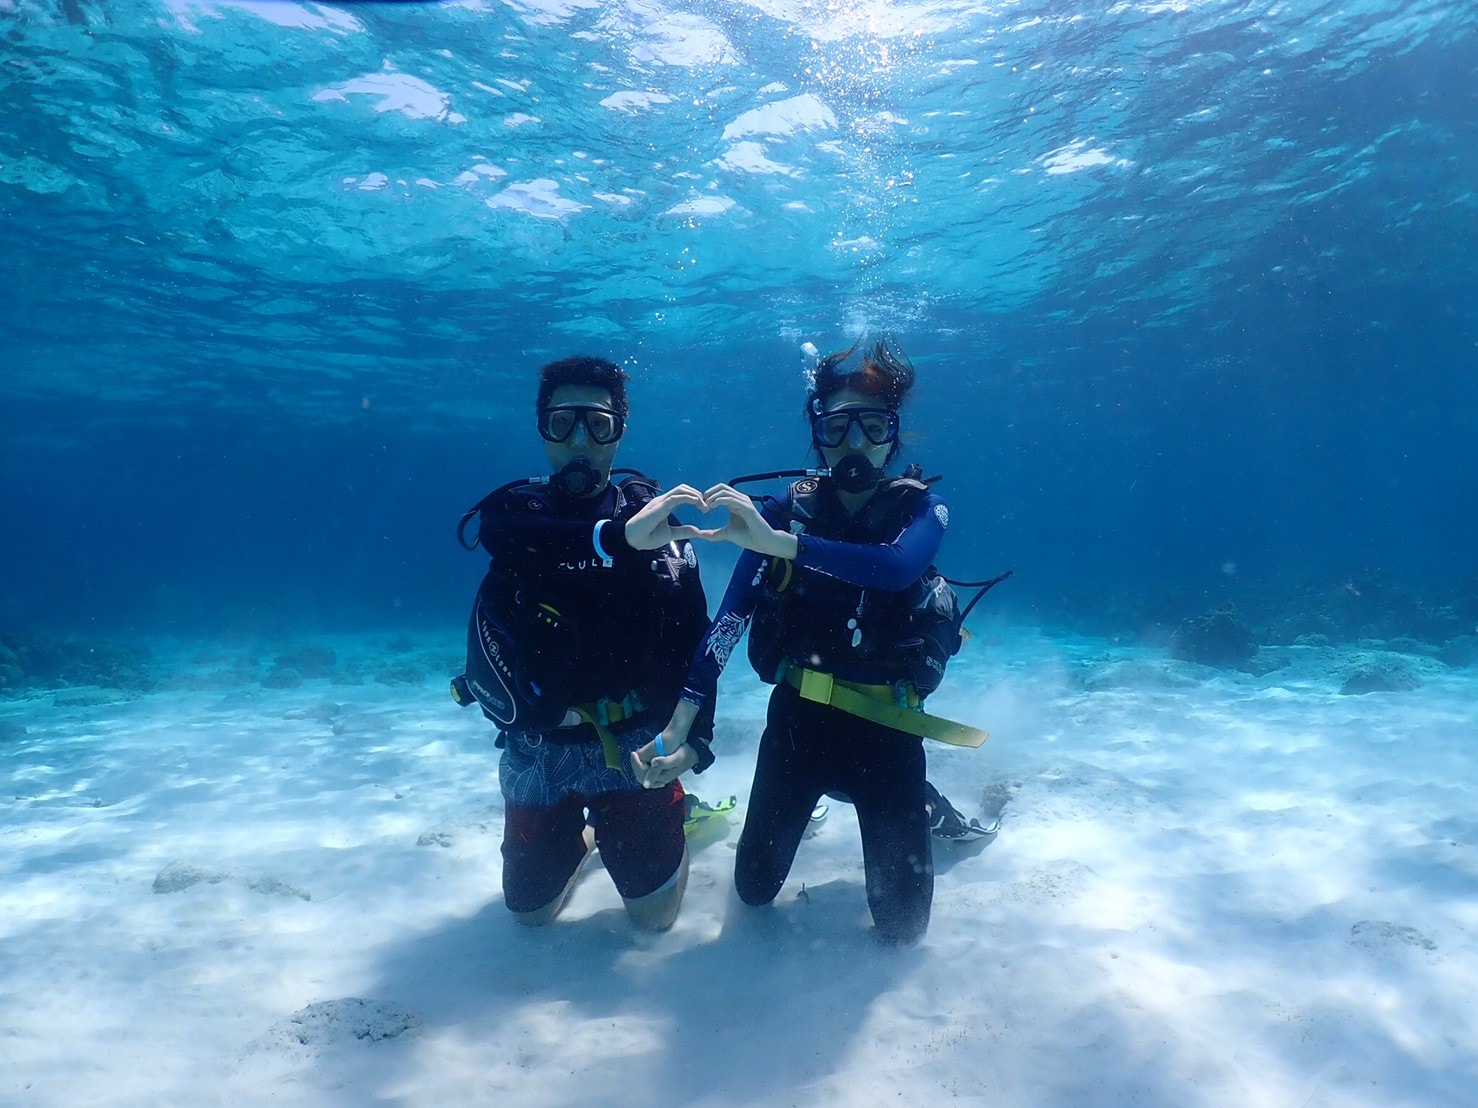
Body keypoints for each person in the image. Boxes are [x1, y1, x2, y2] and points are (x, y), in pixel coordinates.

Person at [636, 335, 970, 945]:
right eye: (837, 427)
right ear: (817, 433)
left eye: (872, 426)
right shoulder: (782, 511)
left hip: (891, 729)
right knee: (753, 890)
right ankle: (816, 800)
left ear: (893, 435)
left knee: (903, 929)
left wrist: (783, 545)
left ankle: (917, 801)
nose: (855, 444)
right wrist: (682, 721)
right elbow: (730, 621)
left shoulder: (923, 511)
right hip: (797, 725)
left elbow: (896, 568)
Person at [454, 355, 716, 931]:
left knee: (654, 923)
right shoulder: (518, 514)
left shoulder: (653, 524)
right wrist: (618, 538)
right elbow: (505, 533)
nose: (580, 441)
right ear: (541, 427)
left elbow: (697, 645)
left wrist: (695, 741)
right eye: (561, 423)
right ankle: (586, 840)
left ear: (619, 430)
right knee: (529, 916)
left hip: (635, 748)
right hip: (536, 751)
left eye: (598, 425)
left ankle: (663, 821)